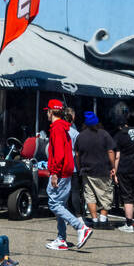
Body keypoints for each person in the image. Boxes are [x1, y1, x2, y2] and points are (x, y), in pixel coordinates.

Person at [43, 100, 91, 251]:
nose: (46, 113)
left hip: (61, 171)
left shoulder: (57, 128)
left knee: (53, 203)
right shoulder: (64, 127)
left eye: (47, 111)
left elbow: (59, 153)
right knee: (61, 205)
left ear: (51, 112)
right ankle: (61, 238)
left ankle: (80, 227)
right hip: (68, 170)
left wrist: (55, 173)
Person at [74, 111, 116, 227]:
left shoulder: (80, 136)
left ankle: (94, 219)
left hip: (87, 170)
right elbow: (111, 151)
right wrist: (113, 167)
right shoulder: (104, 134)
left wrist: (79, 168)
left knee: (90, 195)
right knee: (106, 194)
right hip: (103, 169)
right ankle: (103, 219)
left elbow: (77, 155)